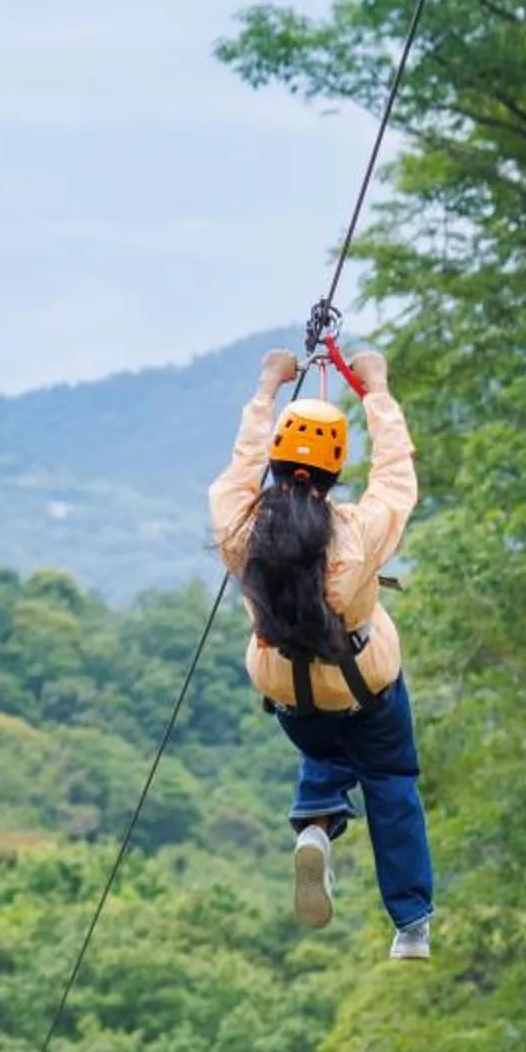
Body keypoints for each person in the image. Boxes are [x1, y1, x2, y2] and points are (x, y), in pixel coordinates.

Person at [209, 346, 435, 960]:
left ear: (278, 462)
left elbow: (240, 467)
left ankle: (315, 823)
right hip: (361, 683)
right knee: (390, 782)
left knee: (323, 740)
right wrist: (377, 390)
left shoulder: (238, 526)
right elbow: (395, 475)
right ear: (335, 470)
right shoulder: (356, 533)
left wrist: (267, 389)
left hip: (286, 689)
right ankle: (410, 926)